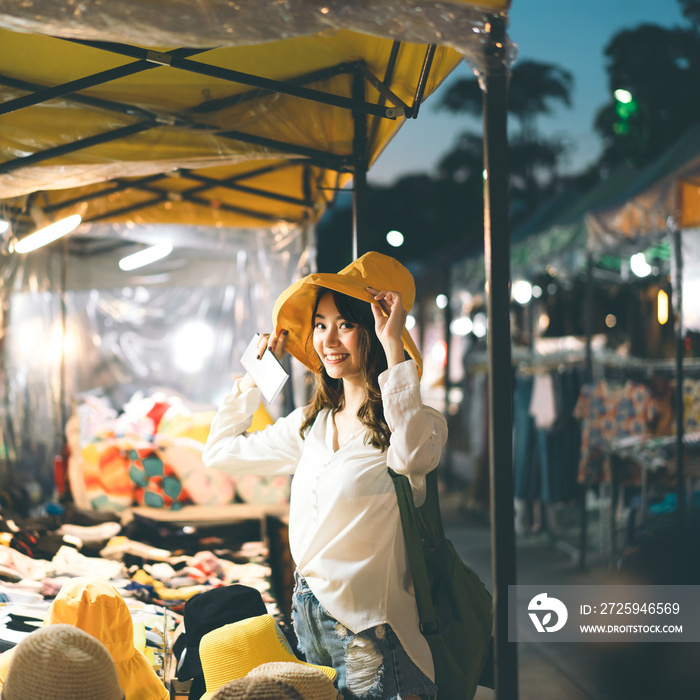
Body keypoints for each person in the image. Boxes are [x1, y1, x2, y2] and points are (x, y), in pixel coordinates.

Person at [203, 251, 448, 700]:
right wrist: (254, 378)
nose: (327, 339)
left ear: (375, 329)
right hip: (309, 620)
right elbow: (219, 453)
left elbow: (413, 458)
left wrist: (394, 343)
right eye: (319, 324)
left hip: (374, 635)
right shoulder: (310, 424)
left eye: (346, 324)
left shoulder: (415, 423)